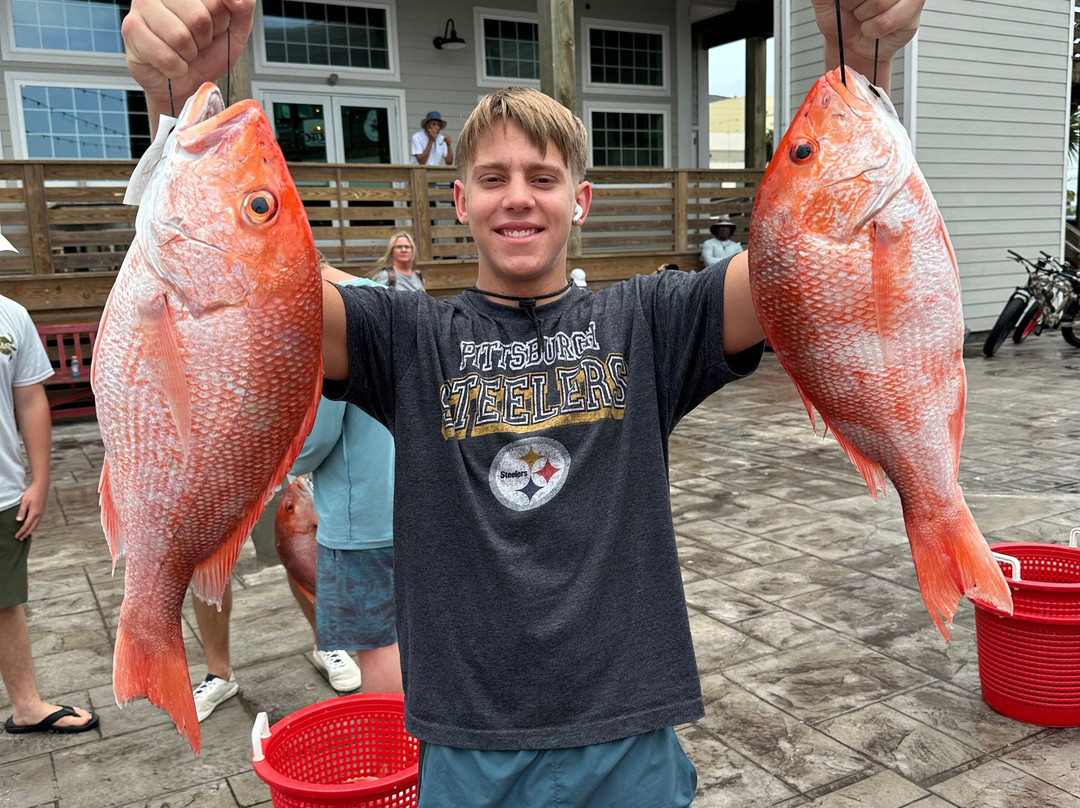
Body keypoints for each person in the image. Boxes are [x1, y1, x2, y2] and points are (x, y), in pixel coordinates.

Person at [122, 1, 922, 803]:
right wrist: (186, 97)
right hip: (470, 736)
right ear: (460, 199)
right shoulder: (405, 335)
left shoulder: (649, 321)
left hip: (627, 726)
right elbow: (241, 287)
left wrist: (857, 55)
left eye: (543, 179)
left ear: (581, 199)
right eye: (494, 179)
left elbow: (810, 250)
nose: (518, 198)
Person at [288, 261, 403, 695]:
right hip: (408, 500)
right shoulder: (384, 298)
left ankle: (395, 753)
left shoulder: (320, 311)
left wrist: (287, 460)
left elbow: (315, 436)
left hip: (361, 517)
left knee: (377, 646)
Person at [0, 294, 98, 735]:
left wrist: (38, 480)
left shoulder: (11, 315)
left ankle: (26, 704)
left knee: (4, 600)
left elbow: (30, 400)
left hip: (2, 490)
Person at [190, 503, 365, 722]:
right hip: (204, 480)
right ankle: (218, 673)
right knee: (207, 564)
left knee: (294, 538)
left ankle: (326, 643)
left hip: (264, 470)